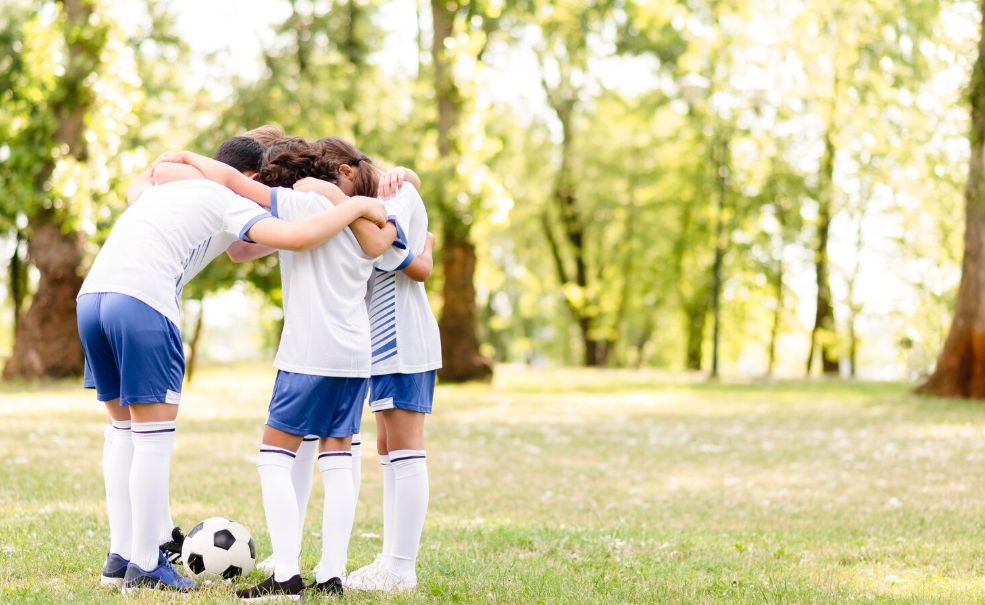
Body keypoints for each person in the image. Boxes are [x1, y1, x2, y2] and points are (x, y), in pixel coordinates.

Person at [81, 137, 386, 594]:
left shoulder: (167, 190)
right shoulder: (232, 199)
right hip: (145, 306)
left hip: (92, 298)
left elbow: (144, 183)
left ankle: (122, 555)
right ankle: (146, 564)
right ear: (254, 178)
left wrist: (178, 163)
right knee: (152, 440)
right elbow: (298, 236)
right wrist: (354, 204)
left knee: (122, 432)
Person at [155, 140, 415, 600]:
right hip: (355, 356)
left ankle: (286, 575)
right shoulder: (365, 218)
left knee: (274, 458)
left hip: (308, 355)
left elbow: (233, 182)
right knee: (338, 460)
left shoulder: (299, 204)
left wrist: (191, 158)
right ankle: (331, 575)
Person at [297, 136, 441, 593]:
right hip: (380, 345)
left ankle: (401, 567)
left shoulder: (397, 194)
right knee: (388, 449)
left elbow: (385, 248)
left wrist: (338, 200)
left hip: (404, 339)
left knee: (406, 450)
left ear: (345, 171)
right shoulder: (376, 197)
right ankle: (390, 559)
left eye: (334, 184)